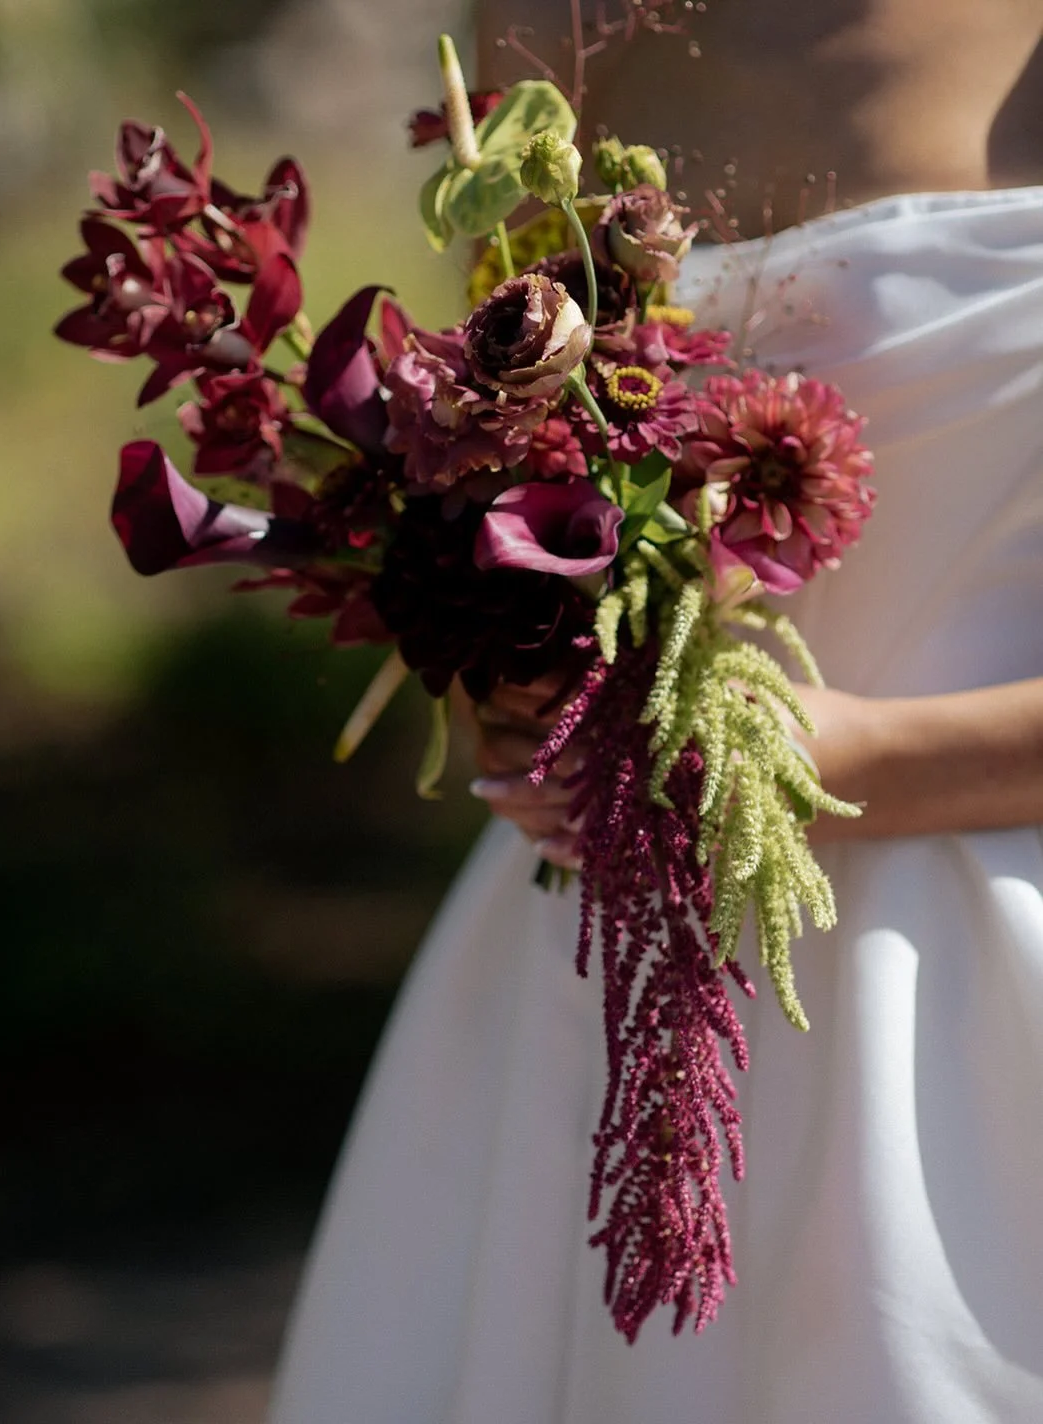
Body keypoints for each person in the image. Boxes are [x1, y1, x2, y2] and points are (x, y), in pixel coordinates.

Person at [269, 5, 1043, 1420]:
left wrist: (851, 759)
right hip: (601, 950)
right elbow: (504, 445)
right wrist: (513, 668)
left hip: (984, 995)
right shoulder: (553, 20)